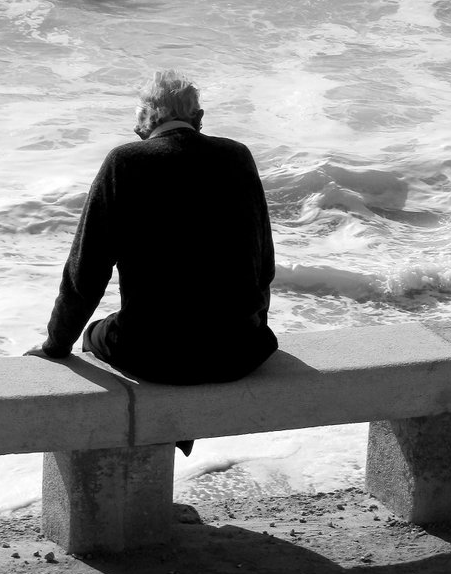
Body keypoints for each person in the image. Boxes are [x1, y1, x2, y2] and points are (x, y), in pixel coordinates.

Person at [28, 70, 278, 400]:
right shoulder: (237, 156)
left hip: (152, 355)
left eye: (138, 118)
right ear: (199, 118)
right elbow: (263, 263)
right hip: (241, 352)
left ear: (146, 118)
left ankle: (154, 430)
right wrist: (248, 328)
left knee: (94, 336)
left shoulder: (125, 162)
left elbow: (86, 272)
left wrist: (56, 344)